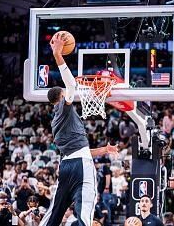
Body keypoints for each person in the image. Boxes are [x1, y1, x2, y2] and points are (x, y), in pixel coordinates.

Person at [38, 33, 118, 226]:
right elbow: (72, 84)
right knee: (85, 211)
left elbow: (80, 151)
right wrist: (58, 55)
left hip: (67, 166)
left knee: (54, 213)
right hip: (80, 167)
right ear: (62, 95)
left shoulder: (57, 121)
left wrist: (104, 151)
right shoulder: (63, 107)